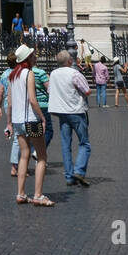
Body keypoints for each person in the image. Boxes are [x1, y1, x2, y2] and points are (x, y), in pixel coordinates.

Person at [6, 45, 52, 205]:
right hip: (31, 120)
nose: (35, 58)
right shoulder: (29, 74)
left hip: (18, 122)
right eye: (33, 56)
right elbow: (33, 100)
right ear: (27, 59)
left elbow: (10, 101)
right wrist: (42, 117)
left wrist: (9, 122)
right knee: (41, 157)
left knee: (24, 155)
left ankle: (21, 193)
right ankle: (38, 195)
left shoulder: (12, 76)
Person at [48, 50, 91, 187]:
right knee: (85, 143)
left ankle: (69, 177)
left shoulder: (53, 74)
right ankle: (78, 171)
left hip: (61, 113)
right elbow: (87, 91)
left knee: (66, 146)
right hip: (76, 112)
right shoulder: (74, 74)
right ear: (69, 61)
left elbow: (50, 90)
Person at [0, 50, 25, 177]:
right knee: (20, 136)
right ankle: (16, 166)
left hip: (8, 105)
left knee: (16, 133)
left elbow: (1, 92)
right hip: (18, 105)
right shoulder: (18, 73)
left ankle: (8, 128)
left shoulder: (4, 74)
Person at [32, 57, 54, 155]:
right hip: (43, 104)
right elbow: (50, 89)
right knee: (48, 131)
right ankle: (38, 152)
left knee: (35, 132)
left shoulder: (26, 72)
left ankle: (36, 153)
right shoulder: (40, 73)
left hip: (31, 106)